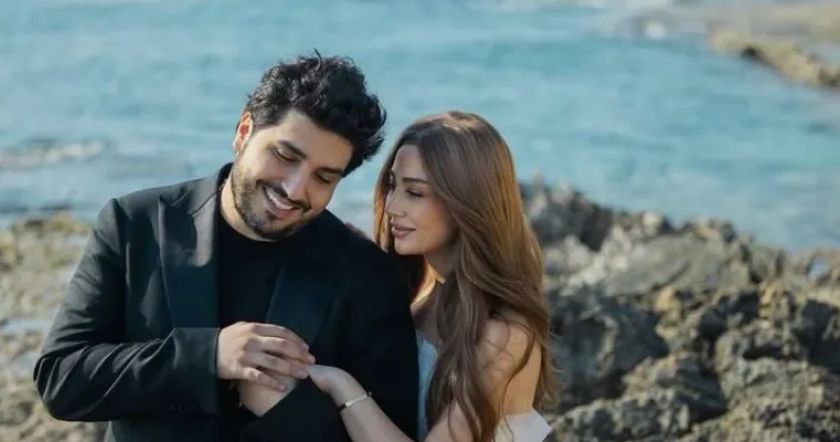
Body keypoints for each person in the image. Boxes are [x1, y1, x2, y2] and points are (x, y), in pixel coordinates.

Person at [32, 53, 418, 442]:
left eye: (323, 177)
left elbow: (388, 431)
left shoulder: (366, 274)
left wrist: (287, 409)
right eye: (285, 155)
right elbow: (61, 380)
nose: (294, 189)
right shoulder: (134, 223)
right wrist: (207, 356)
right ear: (243, 131)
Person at [240, 111, 557, 442]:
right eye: (392, 185)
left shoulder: (503, 335)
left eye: (415, 193)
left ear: (467, 203)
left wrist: (340, 385)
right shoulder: (415, 297)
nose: (392, 206)